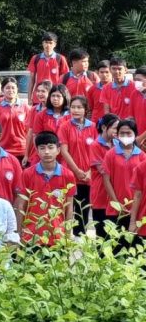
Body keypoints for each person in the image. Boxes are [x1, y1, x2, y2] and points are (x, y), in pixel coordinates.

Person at [17, 132, 76, 247]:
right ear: (37, 151)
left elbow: (69, 208)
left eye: (50, 147)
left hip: (57, 235)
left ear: (58, 150)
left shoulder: (68, 175)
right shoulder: (27, 174)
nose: (47, 152)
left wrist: (67, 235)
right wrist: (19, 233)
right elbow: (21, 206)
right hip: (32, 235)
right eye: (42, 148)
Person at [58, 96, 95, 235]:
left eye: (79, 107)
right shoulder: (65, 126)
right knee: (66, 208)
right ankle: (63, 237)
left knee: (83, 209)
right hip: (69, 174)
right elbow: (64, 151)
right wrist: (76, 170)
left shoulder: (93, 127)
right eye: (73, 107)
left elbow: (97, 152)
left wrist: (89, 171)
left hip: (87, 176)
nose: (75, 110)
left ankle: (80, 237)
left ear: (86, 110)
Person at [102, 119, 143, 237]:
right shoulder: (110, 154)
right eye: (122, 133)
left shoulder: (142, 156)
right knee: (115, 243)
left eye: (128, 133)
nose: (125, 136)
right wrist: (116, 203)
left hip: (136, 210)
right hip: (114, 209)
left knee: (132, 244)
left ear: (135, 134)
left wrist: (134, 208)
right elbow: (106, 180)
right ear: (117, 134)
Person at [89, 114, 119, 238]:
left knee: (115, 234)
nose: (117, 131)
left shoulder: (117, 143)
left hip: (115, 193)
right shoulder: (95, 145)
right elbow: (103, 170)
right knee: (102, 234)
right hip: (100, 193)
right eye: (115, 128)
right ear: (104, 127)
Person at [0, 78, 29, 160]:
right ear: (2, 90)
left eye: (13, 88)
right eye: (7, 88)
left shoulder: (25, 107)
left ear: (17, 89)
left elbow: (29, 130)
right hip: (3, 150)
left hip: (22, 150)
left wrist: (28, 152)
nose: (11, 90)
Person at [27, 31, 69, 102]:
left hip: (54, 97)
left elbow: (65, 81)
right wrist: (29, 98)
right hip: (38, 97)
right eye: (46, 42)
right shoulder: (36, 58)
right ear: (42, 43)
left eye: (50, 43)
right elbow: (31, 80)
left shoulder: (60, 59)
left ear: (55, 44)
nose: (48, 45)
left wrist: (65, 98)